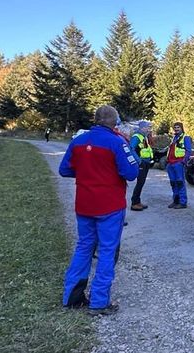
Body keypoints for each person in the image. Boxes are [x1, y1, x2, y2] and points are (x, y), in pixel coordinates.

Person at [58, 105, 138, 315]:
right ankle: (99, 302)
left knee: (83, 247)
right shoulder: (117, 142)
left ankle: (71, 297)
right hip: (110, 206)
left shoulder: (78, 141)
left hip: (84, 205)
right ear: (114, 122)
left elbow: (64, 169)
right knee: (107, 251)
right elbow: (130, 173)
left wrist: (87, 173)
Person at [129, 120, 155, 211]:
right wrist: (139, 161)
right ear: (142, 128)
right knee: (140, 183)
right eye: (147, 127)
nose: (148, 129)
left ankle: (137, 201)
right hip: (142, 162)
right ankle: (134, 203)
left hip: (146, 162)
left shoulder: (144, 136)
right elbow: (131, 148)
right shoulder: (137, 137)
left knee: (141, 182)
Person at [165, 121, 192, 208]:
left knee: (180, 182)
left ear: (182, 128)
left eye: (178, 128)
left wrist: (183, 161)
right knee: (173, 182)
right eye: (175, 128)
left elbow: (188, 151)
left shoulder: (185, 137)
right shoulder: (174, 138)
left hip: (178, 163)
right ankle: (176, 201)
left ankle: (183, 202)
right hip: (171, 163)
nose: (176, 129)